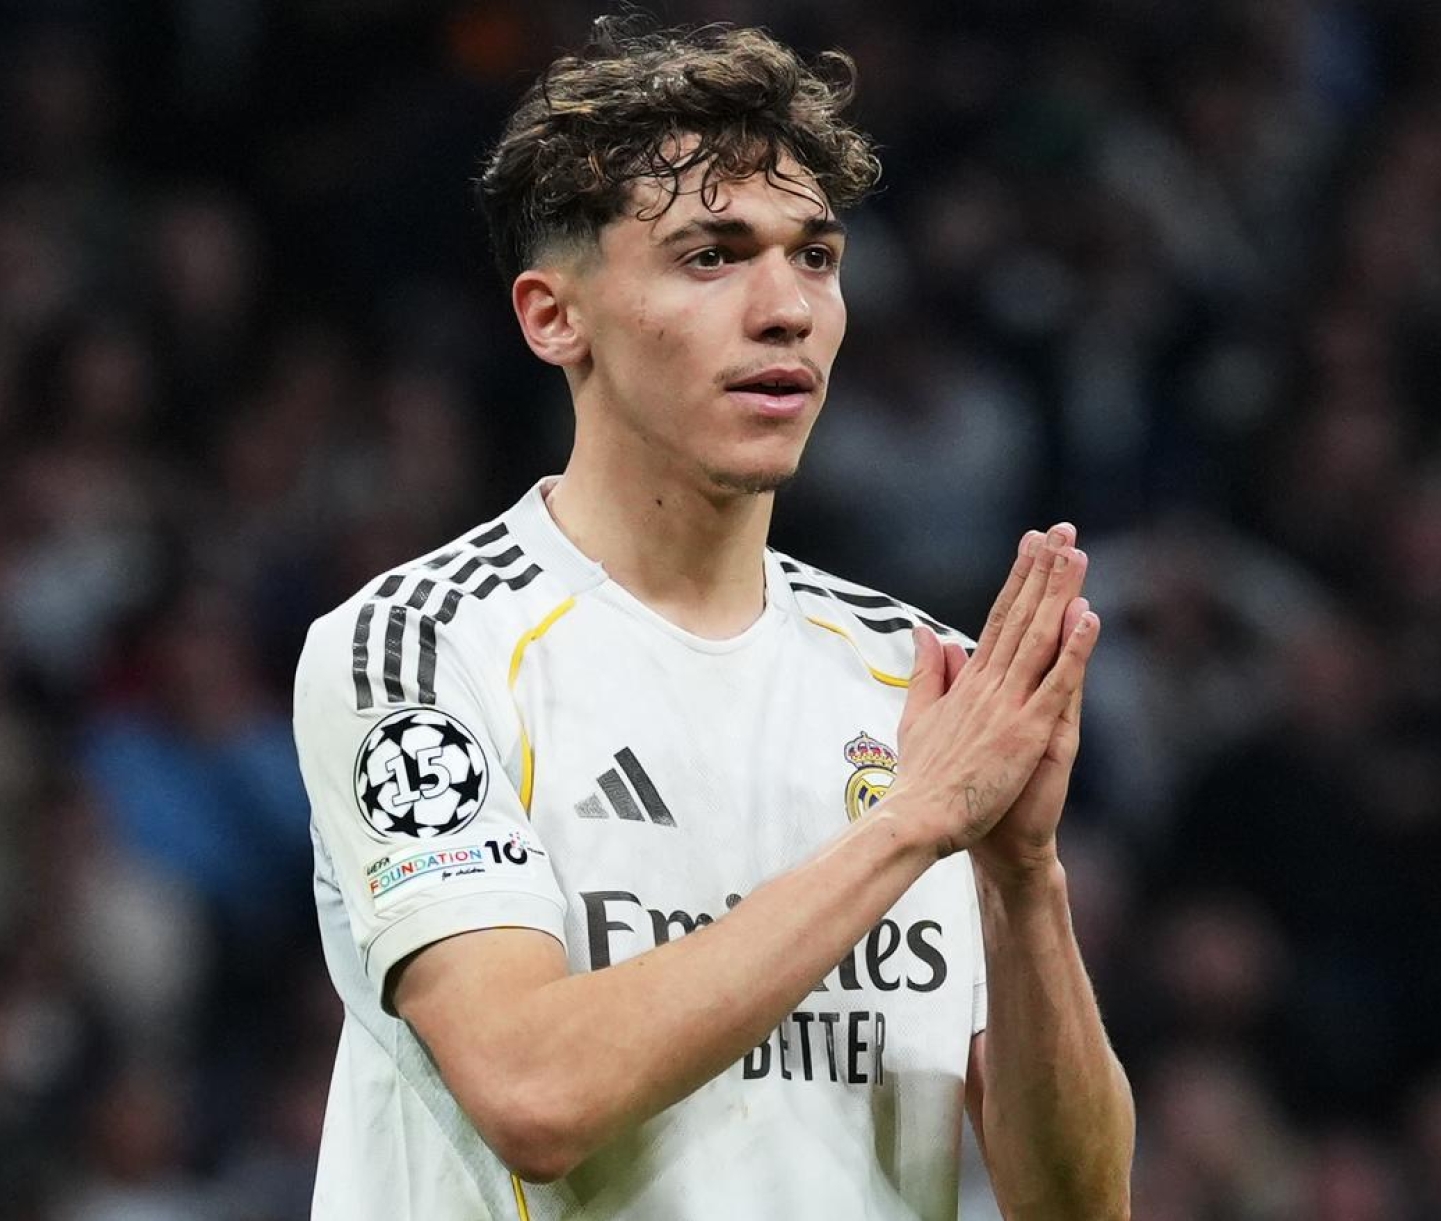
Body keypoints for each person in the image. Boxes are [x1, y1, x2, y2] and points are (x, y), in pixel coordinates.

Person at [291, 19, 1136, 1220]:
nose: (787, 308)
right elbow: (533, 1090)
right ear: (553, 318)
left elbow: (1077, 1204)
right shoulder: (424, 648)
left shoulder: (913, 677)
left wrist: (1022, 876)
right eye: (712, 255)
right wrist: (908, 827)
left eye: (817, 256)